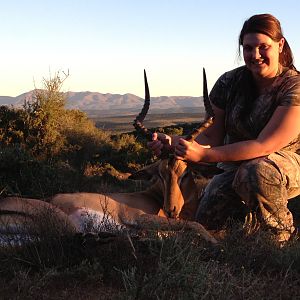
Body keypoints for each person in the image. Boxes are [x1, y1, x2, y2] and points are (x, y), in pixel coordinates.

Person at [148, 13, 300, 244]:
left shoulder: (294, 86)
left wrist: (205, 155)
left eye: (263, 47)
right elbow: (211, 136)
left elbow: (266, 144)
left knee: (256, 172)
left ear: (280, 45)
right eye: (248, 48)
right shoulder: (229, 82)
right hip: (235, 166)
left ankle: (278, 243)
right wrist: (174, 143)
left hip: (285, 165)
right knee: (204, 228)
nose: (255, 55)